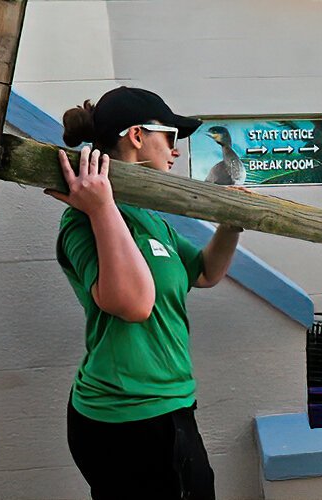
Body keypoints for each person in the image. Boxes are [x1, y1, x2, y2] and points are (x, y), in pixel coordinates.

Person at [50, 87, 243, 499]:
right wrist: (102, 208)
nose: (176, 151)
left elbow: (206, 273)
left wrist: (231, 223)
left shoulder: (149, 217)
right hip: (124, 417)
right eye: (172, 137)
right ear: (137, 135)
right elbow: (134, 305)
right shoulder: (81, 222)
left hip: (171, 405)